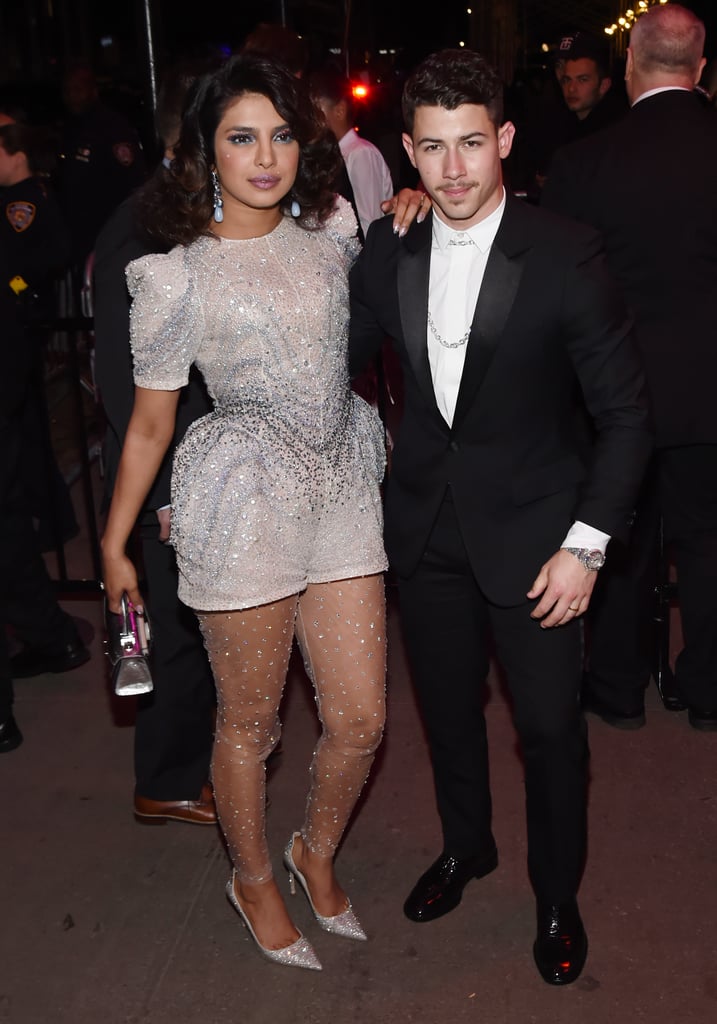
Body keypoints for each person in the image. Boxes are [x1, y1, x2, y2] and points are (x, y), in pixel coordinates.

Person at [349, 48, 652, 985]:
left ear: (504, 139)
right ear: (407, 150)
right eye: (432, 149)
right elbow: (338, 367)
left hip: (537, 545)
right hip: (426, 535)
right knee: (445, 714)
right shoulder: (388, 244)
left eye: (471, 145)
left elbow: (626, 417)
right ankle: (465, 846)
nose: (453, 170)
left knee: (552, 733)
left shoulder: (564, 250)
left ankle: (555, 895)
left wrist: (585, 548)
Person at [101, 53, 387, 970]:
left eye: (279, 135)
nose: (263, 156)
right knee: (250, 725)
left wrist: (416, 211)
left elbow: (393, 296)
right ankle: (253, 874)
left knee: (359, 718)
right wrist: (115, 544)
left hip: (342, 484)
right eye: (239, 137)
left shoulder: (337, 231)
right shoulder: (175, 275)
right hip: (246, 499)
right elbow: (148, 425)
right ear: (203, 151)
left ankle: (315, 848)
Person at [541, 3, 717, 732]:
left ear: (628, 70)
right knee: (709, 541)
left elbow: (559, 287)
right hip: (710, 389)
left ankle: (615, 686)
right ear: (699, 69)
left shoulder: (585, 164)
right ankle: (707, 690)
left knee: (614, 539)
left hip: (620, 390)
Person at [93, 61, 219, 825]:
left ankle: (188, 767)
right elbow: (122, 378)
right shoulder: (140, 229)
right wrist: (167, 493)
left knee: (197, 632)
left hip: (196, 465)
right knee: (174, 635)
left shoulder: (178, 214)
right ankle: (169, 781)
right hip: (168, 477)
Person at [0, 120, 81, 554]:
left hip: (22, 323)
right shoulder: (15, 198)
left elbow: (34, 262)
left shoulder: (26, 201)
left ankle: (51, 520)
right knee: (26, 428)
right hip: (19, 322)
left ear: (16, 155)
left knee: (27, 428)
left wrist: (15, 288)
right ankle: (52, 519)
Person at [57, 63, 146, 286]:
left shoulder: (112, 128)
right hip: (78, 233)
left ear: (92, 90)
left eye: (77, 89)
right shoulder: (69, 128)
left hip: (107, 231)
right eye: (67, 91)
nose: (71, 96)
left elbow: (132, 182)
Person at [309, 67, 394, 240]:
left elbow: (370, 222)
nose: (311, 120)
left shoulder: (360, 154)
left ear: (339, 110)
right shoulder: (331, 156)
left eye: (316, 111)